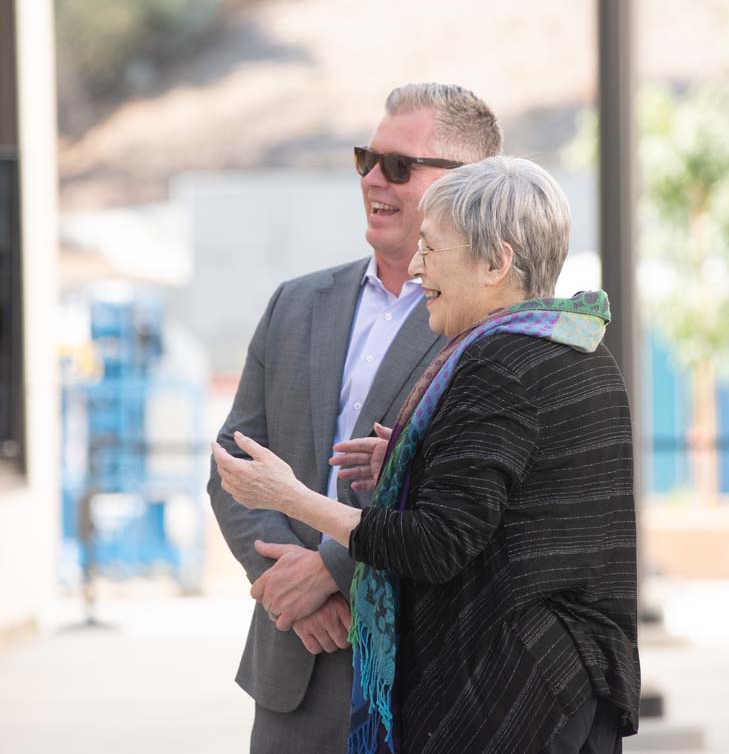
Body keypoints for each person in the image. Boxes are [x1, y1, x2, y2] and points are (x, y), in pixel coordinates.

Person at [213, 156, 641, 754]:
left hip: (512, 700)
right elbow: (521, 502)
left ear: (497, 262)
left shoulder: (497, 365)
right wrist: (421, 459)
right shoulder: (574, 346)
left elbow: (435, 545)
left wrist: (291, 498)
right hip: (564, 693)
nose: (416, 269)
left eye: (431, 250)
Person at [207, 83, 503, 754]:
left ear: (469, 187)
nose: (373, 177)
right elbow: (231, 460)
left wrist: (333, 571)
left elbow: (471, 499)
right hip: (294, 671)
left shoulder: (492, 327)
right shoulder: (297, 303)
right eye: (367, 158)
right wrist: (292, 584)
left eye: (399, 165)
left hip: (421, 679)